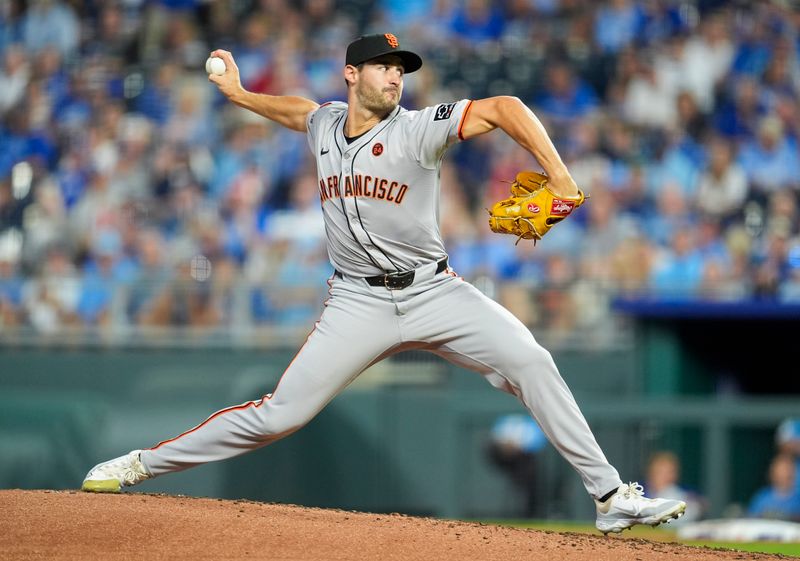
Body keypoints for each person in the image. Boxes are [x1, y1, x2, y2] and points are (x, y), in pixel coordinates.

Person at [81, 32, 686, 534]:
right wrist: (240, 94)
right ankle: (140, 464)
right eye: (383, 67)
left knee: (531, 360)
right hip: (356, 300)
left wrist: (557, 174)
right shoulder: (325, 124)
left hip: (435, 292)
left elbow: (504, 108)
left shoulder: (417, 129)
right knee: (278, 416)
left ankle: (610, 497)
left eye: (401, 69)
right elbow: (297, 111)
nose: (395, 78)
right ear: (352, 74)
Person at [643, 451, 706, 525]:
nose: (666, 477)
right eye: (661, 472)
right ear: (651, 473)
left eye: (670, 472)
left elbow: (700, 505)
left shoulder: (683, 494)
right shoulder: (638, 493)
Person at [747, 453, 800, 521]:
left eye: (788, 470)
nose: (785, 474)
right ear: (773, 473)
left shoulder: (798, 500)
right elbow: (750, 519)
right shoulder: (761, 498)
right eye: (781, 470)